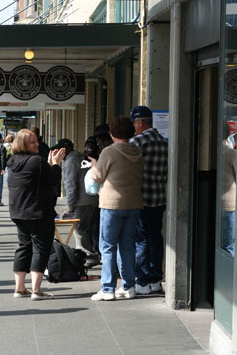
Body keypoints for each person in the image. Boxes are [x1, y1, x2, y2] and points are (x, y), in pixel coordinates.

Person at [7, 129, 66, 300]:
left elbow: (36, 180)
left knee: (24, 247)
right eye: (32, 142)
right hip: (38, 212)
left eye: (36, 141)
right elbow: (53, 179)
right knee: (41, 248)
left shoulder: (13, 162)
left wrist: (48, 165)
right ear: (24, 144)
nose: (37, 144)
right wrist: (55, 164)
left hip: (18, 212)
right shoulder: (36, 161)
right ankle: (36, 290)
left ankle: (19, 288)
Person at [90, 116, 143, 301]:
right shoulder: (136, 150)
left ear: (112, 134)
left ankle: (107, 288)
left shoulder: (109, 152)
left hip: (111, 204)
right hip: (134, 203)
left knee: (108, 246)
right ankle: (129, 286)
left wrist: (94, 164)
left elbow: (97, 176)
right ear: (131, 132)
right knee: (127, 246)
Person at [129, 105, 168, 295]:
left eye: (134, 123)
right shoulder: (163, 141)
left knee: (142, 239)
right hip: (159, 197)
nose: (133, 127)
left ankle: (142, 280)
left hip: (142, 198)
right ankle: (156, 280)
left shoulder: (137, 141)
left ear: (140, 123)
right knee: (156, 237)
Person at [57, 138, 99, 258]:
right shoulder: (80, 157)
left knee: (80, 230)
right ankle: (92, 253)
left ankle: (88, 256)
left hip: (82, 201)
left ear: (66, 150)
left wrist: (69, 207)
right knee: (89, 229)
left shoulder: (70, 162)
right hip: (92, 198)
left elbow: (70, 186)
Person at [220, 121, 236, 256]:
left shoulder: (209, 153)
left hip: (216, 205)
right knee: (228, 245)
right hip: (228, 206)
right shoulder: (232, 154)